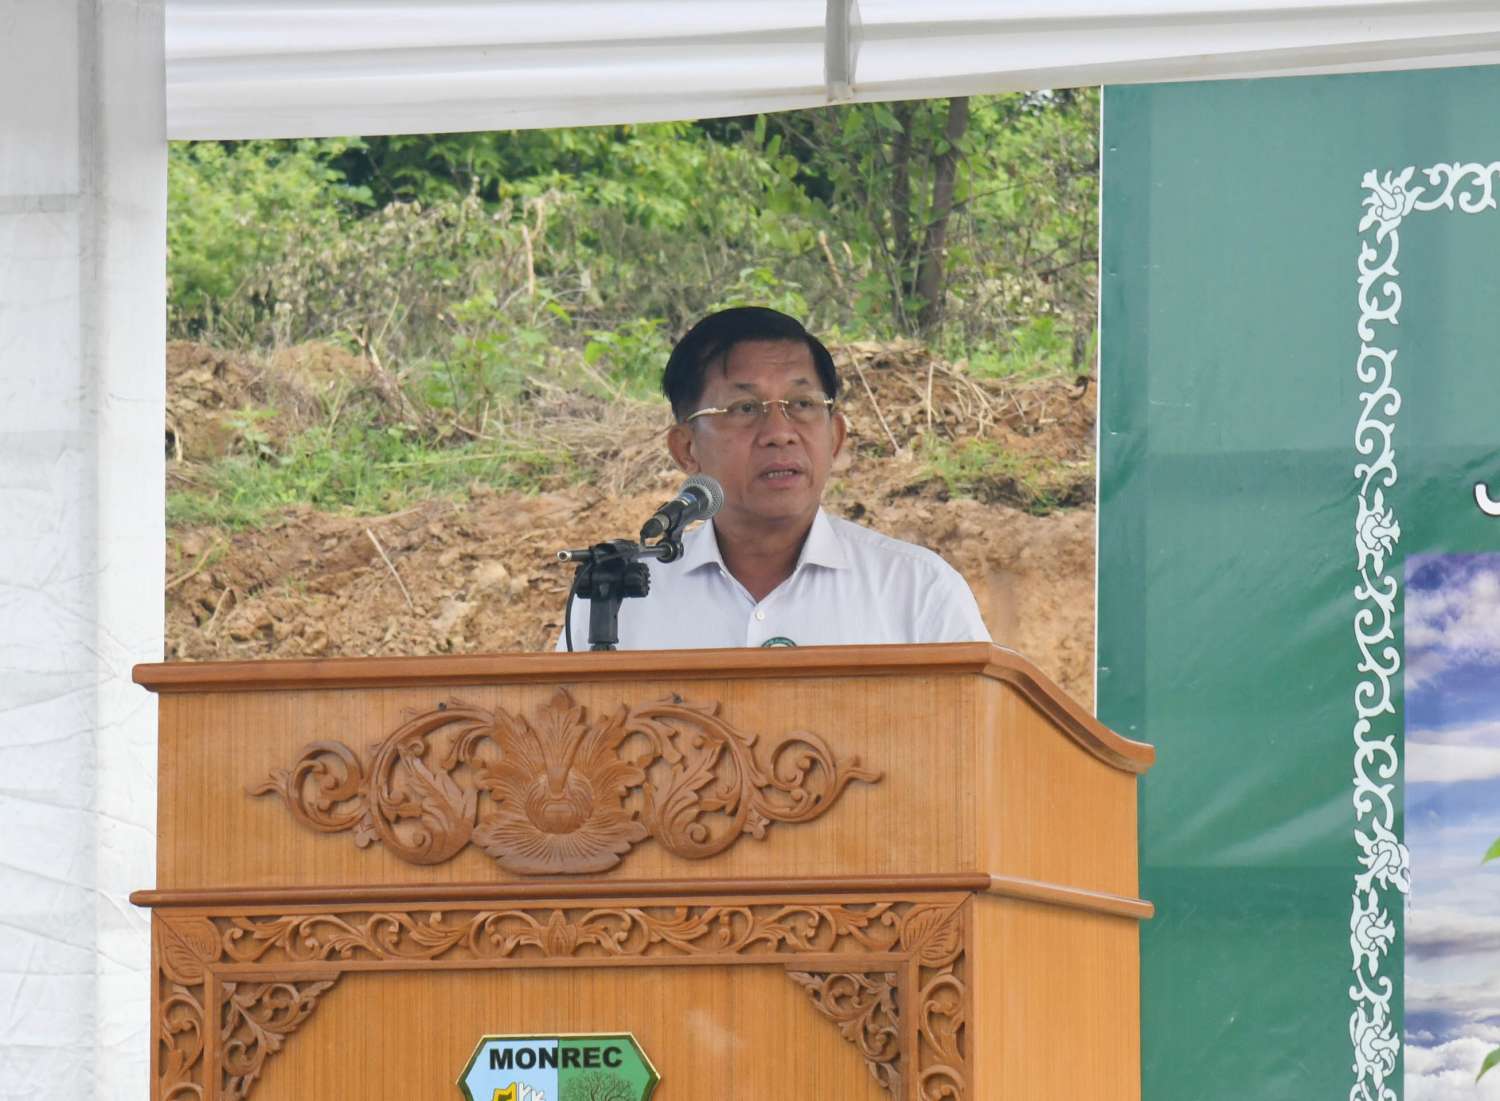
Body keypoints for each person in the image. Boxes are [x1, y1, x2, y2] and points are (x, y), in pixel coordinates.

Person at [559, 306, 989, 650]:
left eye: (802, 404)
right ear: (686, 448)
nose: (780, 433)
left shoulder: (917, 590)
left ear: (836, 437)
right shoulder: (617, 597)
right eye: (744, 409)